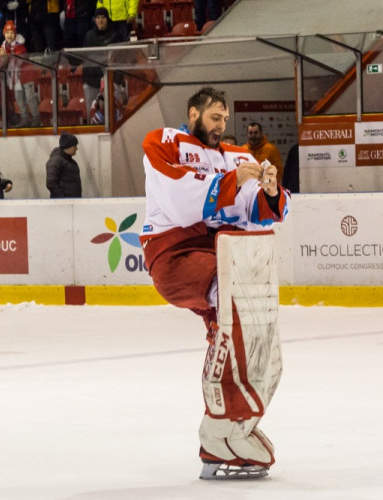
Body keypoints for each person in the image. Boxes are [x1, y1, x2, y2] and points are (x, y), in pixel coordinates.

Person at [140, 87, 289, 479]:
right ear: (193, 113)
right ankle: (219, 424)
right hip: (173, 255)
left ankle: (232, 420)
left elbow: (250, 208)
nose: (221, 126)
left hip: (219, 253)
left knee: (253, 321)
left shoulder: (237, 155)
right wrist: (231, 180)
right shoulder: (163, 142)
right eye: (214, 118)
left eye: (224, 119)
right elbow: (177, 198)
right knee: (233, 301)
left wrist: (269, 190)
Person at [0, 20, 40, 127]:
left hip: (26, 75)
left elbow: (18, 58)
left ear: (15, 34)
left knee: (30, 97)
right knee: (19, 99)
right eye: (7, 32)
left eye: (11, 32)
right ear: (3, 33)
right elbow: (1, 63)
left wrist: (5, 55)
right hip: (15, 78)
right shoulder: (4, 47)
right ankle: (25, 119)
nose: (9, 35)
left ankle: (36, 118)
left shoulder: (20, 45)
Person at [82, 8, 119, 118]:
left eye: (103, 17)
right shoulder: (89, 36)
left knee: (112, 113)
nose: (100, 20)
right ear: (95, 20)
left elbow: (119, 57)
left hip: (111, 80)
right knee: (92, 114)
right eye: (98, 18)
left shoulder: (115, 36)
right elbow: (84, 56)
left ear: (107, 19)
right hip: (91, 79)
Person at [46, 132, 82, 198]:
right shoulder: (56, 161)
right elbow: (51, 183)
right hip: (62, 205)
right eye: (74, 146)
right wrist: (62, 199)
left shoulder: (70, 161)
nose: (76, 148)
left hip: (71, 202)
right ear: (68, 146)